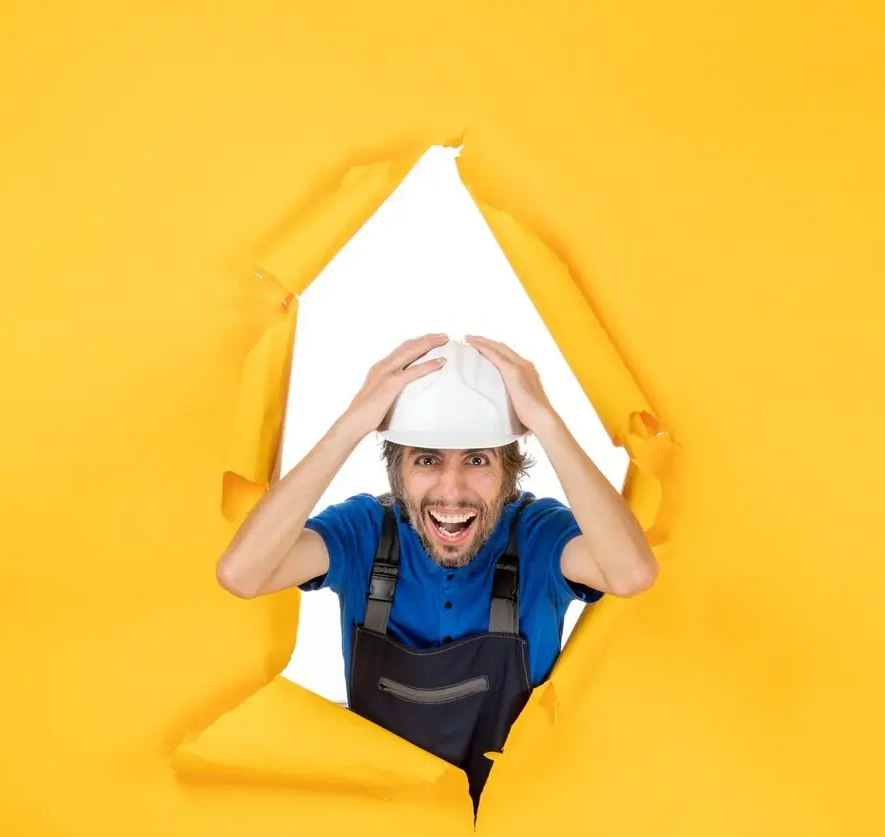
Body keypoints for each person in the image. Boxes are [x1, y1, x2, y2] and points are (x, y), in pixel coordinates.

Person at [215, 332, 658, 811]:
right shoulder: (365, 531)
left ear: (509, 473)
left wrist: (547, 423)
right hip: (389, 829)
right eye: (426, 460)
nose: (452, 491)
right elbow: (244, 574)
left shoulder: (537, 535)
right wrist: (350, 425)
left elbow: (630, 573)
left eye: (477, 460)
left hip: (518, 829)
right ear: (396, 470)